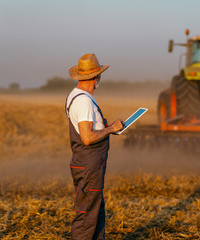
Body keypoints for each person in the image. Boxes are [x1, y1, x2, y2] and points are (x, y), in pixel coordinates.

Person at [65, 53, 124, 239]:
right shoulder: (84, 101)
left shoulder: (76, 95)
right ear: (96, 77)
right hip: (89, 165)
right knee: (87, 217)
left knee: (95, 211)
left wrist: (105, 128)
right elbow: (88, 138)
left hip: (88, 165)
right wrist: (111, 129)